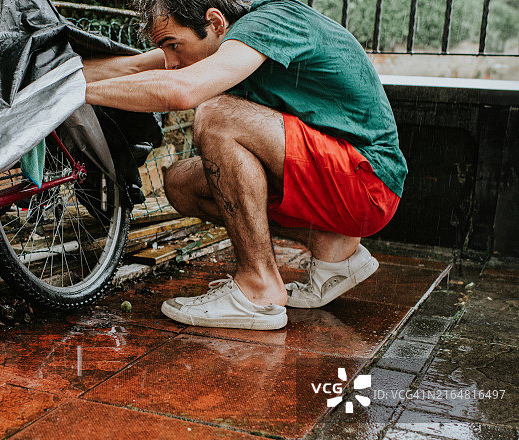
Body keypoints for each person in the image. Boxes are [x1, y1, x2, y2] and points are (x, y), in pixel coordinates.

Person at [83, 0, 407, 330]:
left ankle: (258, 288)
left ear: (215, 22)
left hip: (368, 183)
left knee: (217, 115)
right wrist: (49, 82)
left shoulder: (270, 22)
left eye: (173, 45)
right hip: (331, 178)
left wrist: (76, 94)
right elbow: (130, 68)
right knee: (182, 184)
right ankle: (330, 245)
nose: (170, 63)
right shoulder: (222, 39)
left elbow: (183, 91)